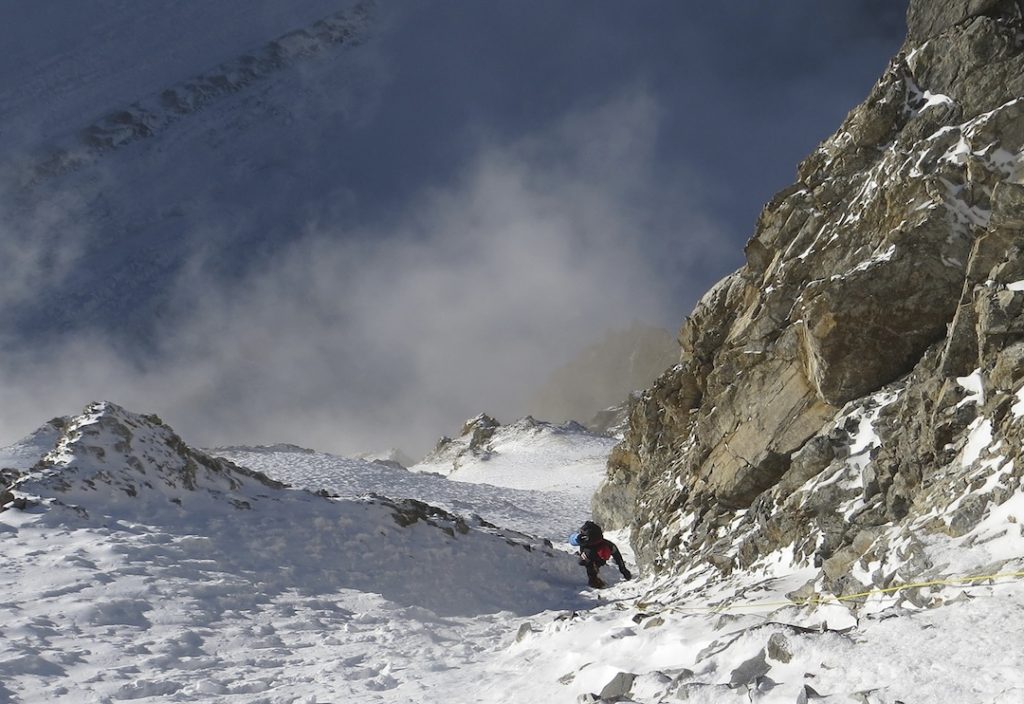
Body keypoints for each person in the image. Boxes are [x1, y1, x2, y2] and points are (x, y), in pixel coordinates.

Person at [569, 520, 632, 588]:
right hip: (590, 552)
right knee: (584, 560)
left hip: (590, 551)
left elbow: (617, 557)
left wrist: (623, 570)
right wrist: (623, 570)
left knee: (585, 560)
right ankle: (594, 581)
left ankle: (594, 580)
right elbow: (618, 557)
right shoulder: (605, 546)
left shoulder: (586, 542)